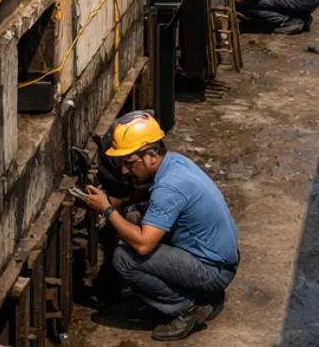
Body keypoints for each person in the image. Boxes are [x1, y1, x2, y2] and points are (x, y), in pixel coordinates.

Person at [80, 111, 239, 341]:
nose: (125, 170)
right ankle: (202, 294)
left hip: (213, 270)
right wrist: (116, 202)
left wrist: (107, 210)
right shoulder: (174, 163)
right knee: (135, 215)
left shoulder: (169, 188)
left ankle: (186, 308)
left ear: (151, 155)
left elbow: (144, 245)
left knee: (124, 257)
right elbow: (142, 195)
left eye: (129, 162)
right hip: (219, 258)